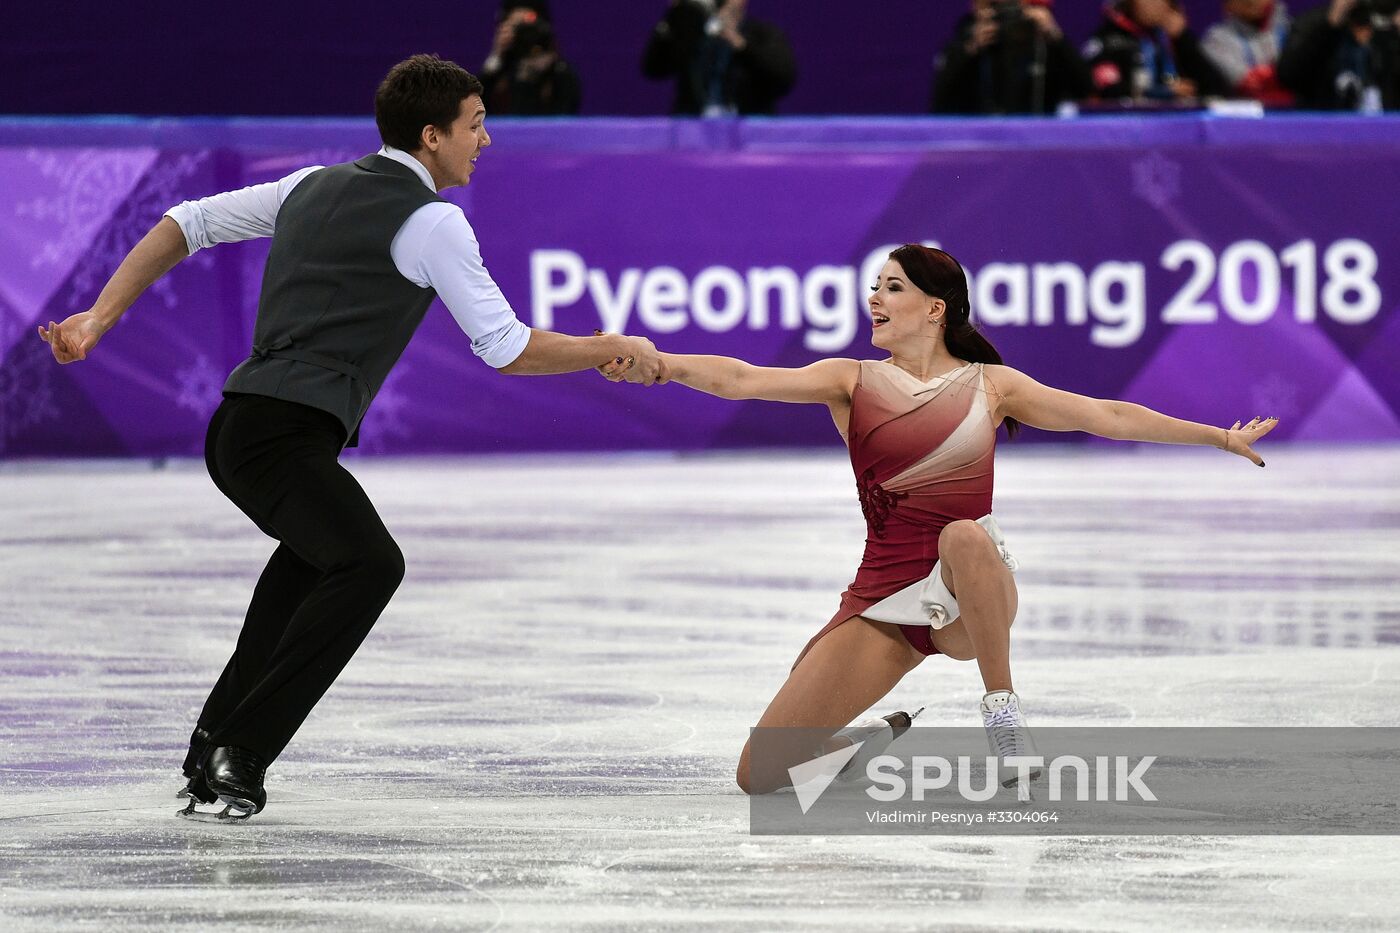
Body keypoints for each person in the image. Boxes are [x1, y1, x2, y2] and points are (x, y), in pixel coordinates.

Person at [37, 54, 663, 821]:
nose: (486, 141)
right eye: (475, 125)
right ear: (432, 137)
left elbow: (184, 222)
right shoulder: (434, 221)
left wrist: (99, 317)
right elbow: (504, 346)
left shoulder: (311, 185)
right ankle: (244, 749)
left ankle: (211, 747)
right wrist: (604, 346)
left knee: (309, 566)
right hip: (281, 437)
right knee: (369, 565)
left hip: (244, 426)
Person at [604, 245, 1276, 795]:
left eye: (891, 287)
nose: (874, 299)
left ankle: (1004, 713)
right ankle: (861, 740)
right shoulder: (852, 381)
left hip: (968, 590)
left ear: (935, 308)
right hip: (883, 599)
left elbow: (1108, 415)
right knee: (761, 773)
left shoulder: (992, 386)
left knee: (962, 532)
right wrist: (663, 367)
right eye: (874, 287)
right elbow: (742, 378)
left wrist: (1217, 437)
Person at [931, 0, 1092, 115]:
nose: (1002, 15)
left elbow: (1084, 90)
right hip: (980, 144)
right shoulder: (964, 44)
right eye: (992, 6)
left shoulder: (1042, 45)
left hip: (1035, 145)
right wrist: (970, 50)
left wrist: (1056, 37)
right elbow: (940, 103)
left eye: (1008, 6)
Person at [641, 0, 796, 116]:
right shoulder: (691, 35)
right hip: (693, 128)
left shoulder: (761, 34)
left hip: (746, 126)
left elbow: (782, 79)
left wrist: (740, 44)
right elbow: (654, 69)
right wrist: (676, 19)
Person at [1085, 0, 1232, 103]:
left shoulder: (1171, 39)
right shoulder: (1108, 41)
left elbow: (1217, 88)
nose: (1157, 5)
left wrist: (1184, 40)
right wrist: (1162, 92)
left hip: (1174, 126)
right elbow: (1108, 90)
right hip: (1128, 126)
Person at [1277, 0, 1400, 110]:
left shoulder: (1389, 26)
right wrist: (1328, 25)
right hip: (1327, 127)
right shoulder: (1314, 22)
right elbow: (1288, 75)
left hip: (1388, 128)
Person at [478, 1, 582, 115]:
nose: (525, 34)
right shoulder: (498, 71)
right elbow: (476, 110)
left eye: (528, 26)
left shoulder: (559, 71)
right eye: (517, 27)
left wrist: (546, 68)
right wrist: (496, 56)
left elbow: (566, 116)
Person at [1201, 0, 1295, 104]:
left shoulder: (1294, 30)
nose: (1251, 1)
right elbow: (1246, 81)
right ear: (1227, 5)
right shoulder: (1216, 39)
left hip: (1299, 112)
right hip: (1244, 115)